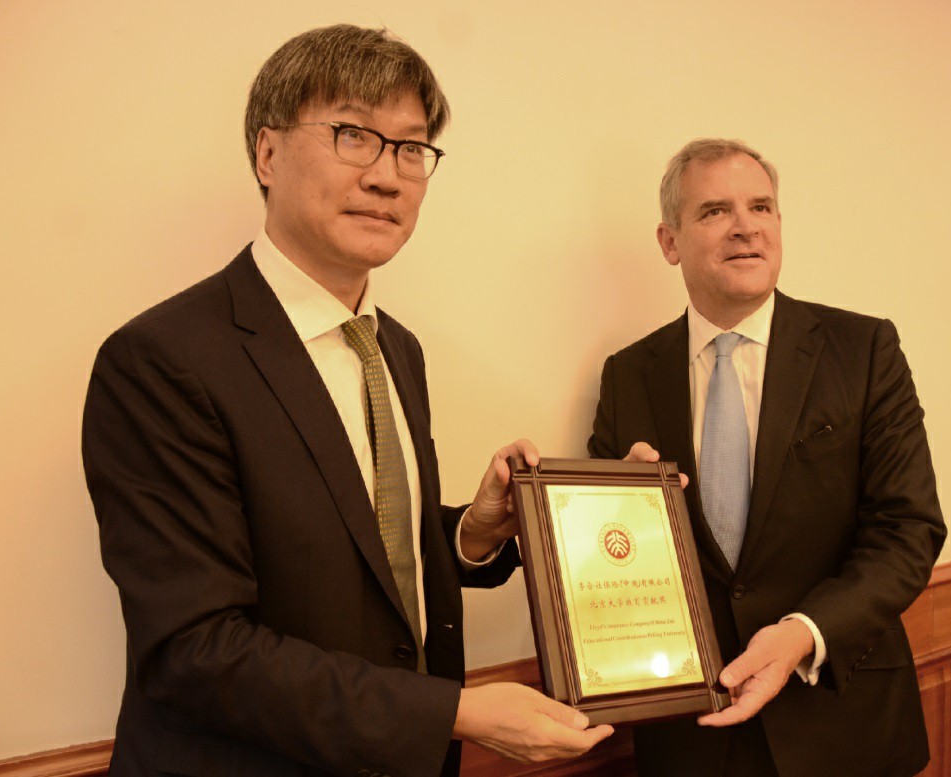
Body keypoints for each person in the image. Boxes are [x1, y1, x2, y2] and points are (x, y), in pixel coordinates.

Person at [82, 24, 612, 777]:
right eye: (353, 135)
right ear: (267, 154)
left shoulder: (395, 347)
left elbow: (361, 554)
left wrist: (472, 533)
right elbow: (194, 649)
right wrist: (454, 713)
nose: (388, 177)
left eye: (411, 148)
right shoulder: (161, 361)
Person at [587, 138, 947, 777]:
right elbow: (604, 561)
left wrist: (803, 632)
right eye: (715, 211)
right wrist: (627, 513)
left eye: (761, 207)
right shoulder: (627, 376)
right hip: (693, 736)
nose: (746, 226)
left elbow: (908, 530)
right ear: (670, 242)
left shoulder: (863, 349)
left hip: (841, 718)